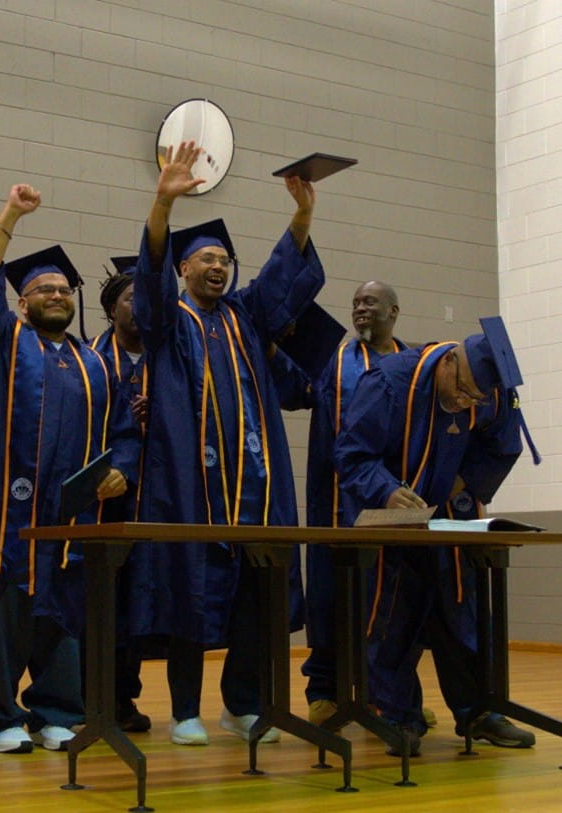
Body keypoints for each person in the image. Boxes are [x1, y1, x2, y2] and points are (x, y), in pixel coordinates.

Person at [0, 184, 138, 754]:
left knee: (61, 615)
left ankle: (56, 711)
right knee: (3, 614)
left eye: (60, 288)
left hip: (71, 516)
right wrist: (10, 216)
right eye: (40, 289)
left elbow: (124, 431)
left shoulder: (96, 361)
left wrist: (122, 468)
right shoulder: (4, 341)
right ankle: (2, 717)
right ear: (21, 301)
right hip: (6, 511)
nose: (53, 294)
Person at [129, 141, 324, 746]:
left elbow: (281, 281)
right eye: (206, 258)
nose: (218, 266)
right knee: (190, 594)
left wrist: (301, 215)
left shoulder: (245, 317)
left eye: (224, 260)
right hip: (194, 490)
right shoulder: (168, 322)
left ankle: (242, 705)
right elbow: (149, 282)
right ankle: (185, 707)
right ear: (183, 270)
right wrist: (162, 204)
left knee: (254, 602)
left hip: (258, 490)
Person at [334, 316, 537, 755]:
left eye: (475, 399)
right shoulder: (389, 383)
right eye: (461, 390)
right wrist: (388, 491)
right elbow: (351, 455)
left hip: (447, 515)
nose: (466, 403)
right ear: (448, 362)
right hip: (391, 516)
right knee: (393, 616)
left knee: (460, 611)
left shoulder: (490, 394)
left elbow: (503, 446)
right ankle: (398, 718)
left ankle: (480, 712)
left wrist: (459, 485)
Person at [302, 281, 409, 724]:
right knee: (329, 599)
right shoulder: (337, 362)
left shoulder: (411, 363)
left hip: (390, 503)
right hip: (336, 500)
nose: (360, 310)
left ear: (394, 311)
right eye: (356, 304)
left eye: (370, 303)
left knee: (387, 605)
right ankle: (323, 689)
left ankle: (384, 691)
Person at [87, 257, 151, 733]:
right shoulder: (88, 359)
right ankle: (86, 696)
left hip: (155, 497)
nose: (141, 305)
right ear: (111, 308)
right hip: (97, 500)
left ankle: (123, 698)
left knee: (134, 607)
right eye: (131, 297)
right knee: (94, 604)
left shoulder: (169, 358)